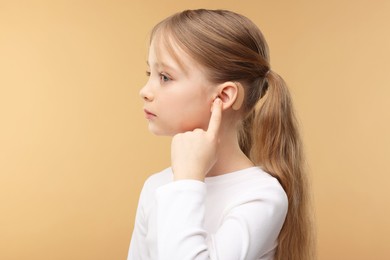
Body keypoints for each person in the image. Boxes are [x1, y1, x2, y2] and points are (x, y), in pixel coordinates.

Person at [128, 9, 314, 260]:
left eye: (165, 77)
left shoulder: (262, 195)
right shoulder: (156, 187)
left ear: (224, 96)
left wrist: (187, 180)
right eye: (150, 74)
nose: (145, 91)